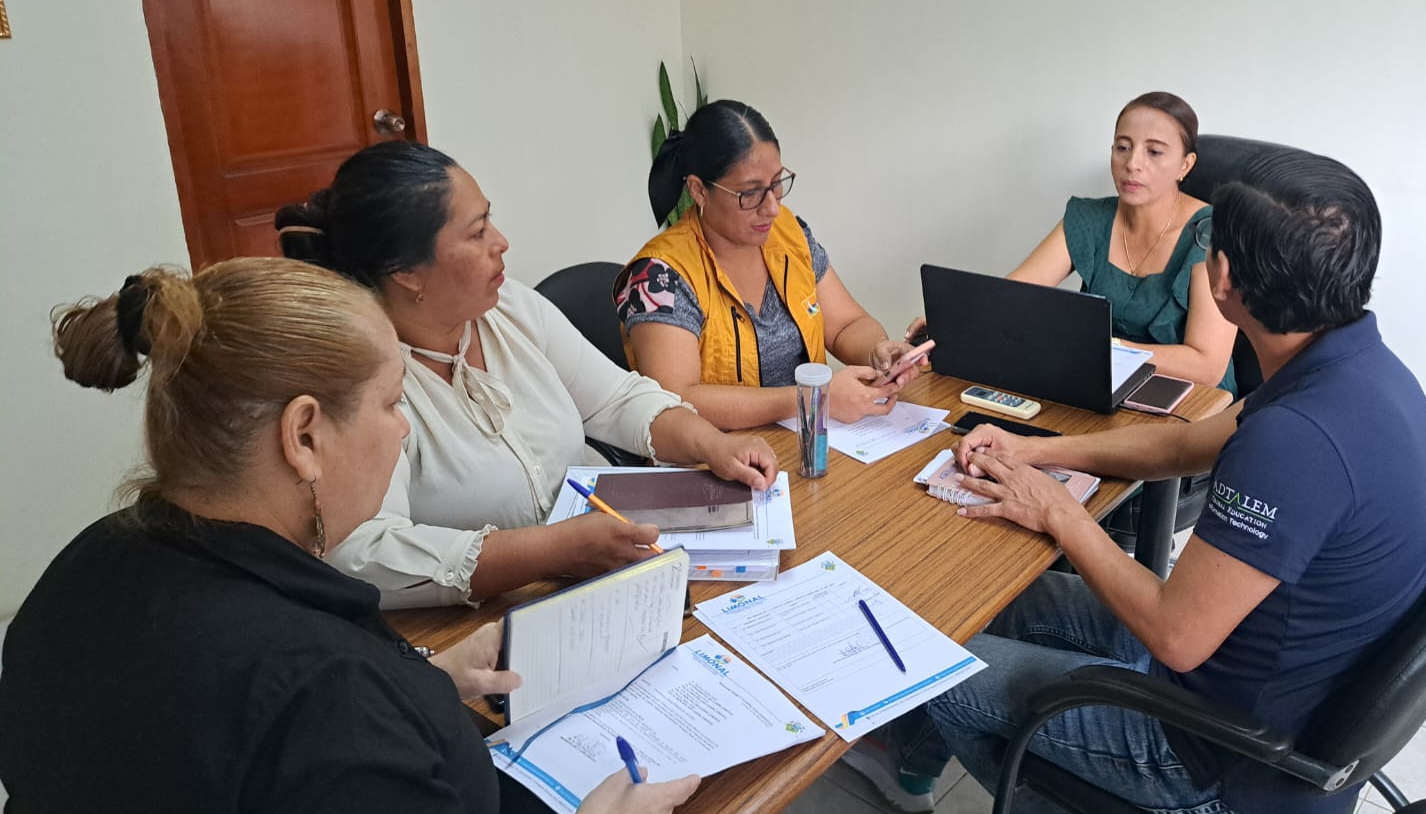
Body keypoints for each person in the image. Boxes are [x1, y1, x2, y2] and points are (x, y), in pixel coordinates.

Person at [0, 259, 700, 814]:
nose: (403, 428)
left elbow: (220, 754)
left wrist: (424, 677)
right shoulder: (325, 693)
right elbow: (299, 722)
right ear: (303, 436)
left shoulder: (84, 568)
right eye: (393, 403)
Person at [844, 150, 1426, 814]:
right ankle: (912, 759)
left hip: (1226, 760)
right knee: (990, 599)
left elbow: (1176, 634)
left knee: (935, 669)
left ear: (1223, 279)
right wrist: (1039, 452)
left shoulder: (1296, 442)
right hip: (1273, 690)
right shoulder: (1349, 368)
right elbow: (1185, 442)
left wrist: (1059, 514)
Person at [278, 141, 777, 608]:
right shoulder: (363, 380)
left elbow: (616, 398)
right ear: (406, 272)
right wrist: (553, 551)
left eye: (489, 219)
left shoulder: (509, 307)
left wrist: (712, 444)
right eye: (476, 233)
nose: (501, 242)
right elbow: (363, 552)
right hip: (486, 618)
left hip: (605, 572)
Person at [616, 99, 916, 431]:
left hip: (803, 441)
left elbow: (846, 324)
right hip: (717, 453)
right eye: (750, 193)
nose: (772, 207)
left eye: (776, 184)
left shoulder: (788, 234)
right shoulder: (660, 275)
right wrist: (812, 399)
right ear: (699, 191)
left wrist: (877, 353)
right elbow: (678, 400)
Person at [913, 92, 1236, 395]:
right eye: (1123, 147)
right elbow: (1011, 298)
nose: (1132, 163)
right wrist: (953, 322)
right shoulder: (1088, 217)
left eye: (1154, 152)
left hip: (1190, 399)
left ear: (1185, 164)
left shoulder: (1212, 233)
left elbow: (1206, 365)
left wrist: (1104, 349)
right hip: (1103, 386)